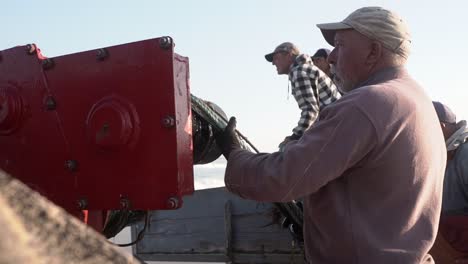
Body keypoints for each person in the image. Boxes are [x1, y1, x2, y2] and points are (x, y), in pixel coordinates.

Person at [217, 6, 446, 263]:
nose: (332, 57)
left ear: (373, 51)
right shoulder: (418, 100)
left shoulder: (366, 103)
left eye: (340, 45)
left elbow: (284, 177)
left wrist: (235, 155)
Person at [264, 42, 341, 149]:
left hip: (334, 128)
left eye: (276, 58)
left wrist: (295, 137)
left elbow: (311, 111)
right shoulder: (305, 68)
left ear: (289, 55)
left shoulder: (299, 71)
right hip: (337, 124)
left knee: (286, 150)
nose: (273, 63)